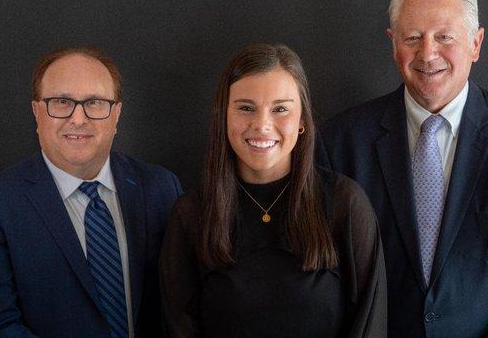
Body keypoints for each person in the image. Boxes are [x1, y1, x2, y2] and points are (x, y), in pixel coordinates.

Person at [317, 0, 488, 337]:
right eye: (413, 38)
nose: (428, 54)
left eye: (445, 37)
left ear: (476, 44)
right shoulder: (340, 143)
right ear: (393, 44)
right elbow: (327, 281)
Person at [160, 43, 386, 337]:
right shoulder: (191, 214)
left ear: (302, 120)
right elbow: (178, 327)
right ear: (223, 116)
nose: (262, 125)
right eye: (245, 108)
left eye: (280, 109)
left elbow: (369, 324)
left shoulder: (345, 203)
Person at [0, 46, 182, 337]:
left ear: (116, 114)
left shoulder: (161, 189)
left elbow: (182, 305)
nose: (78, 119)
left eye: (94, 103)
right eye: (62, 101)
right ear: (36, 111)